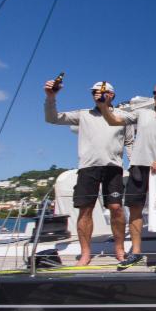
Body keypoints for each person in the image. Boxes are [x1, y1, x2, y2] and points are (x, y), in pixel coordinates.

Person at [44, 80, 132, 266]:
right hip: (88, 167)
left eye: (101, 91)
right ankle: (85, 253)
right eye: (94, 92)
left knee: (116, 208)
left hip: (113, 167)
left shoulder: (123, 116)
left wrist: (133, 163)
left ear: (112, 95)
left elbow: (130, 142)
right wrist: (51, 97)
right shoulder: (84, 115)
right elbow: (53, 118)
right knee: (86, 210)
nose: (96, 94)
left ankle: (119, 248)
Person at [99, 84, 156, 271]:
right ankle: (136, 252)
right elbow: (114, 121)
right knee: (135, 210)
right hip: (138, 166)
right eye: (155, 93)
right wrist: (104, 106)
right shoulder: (142, 113)